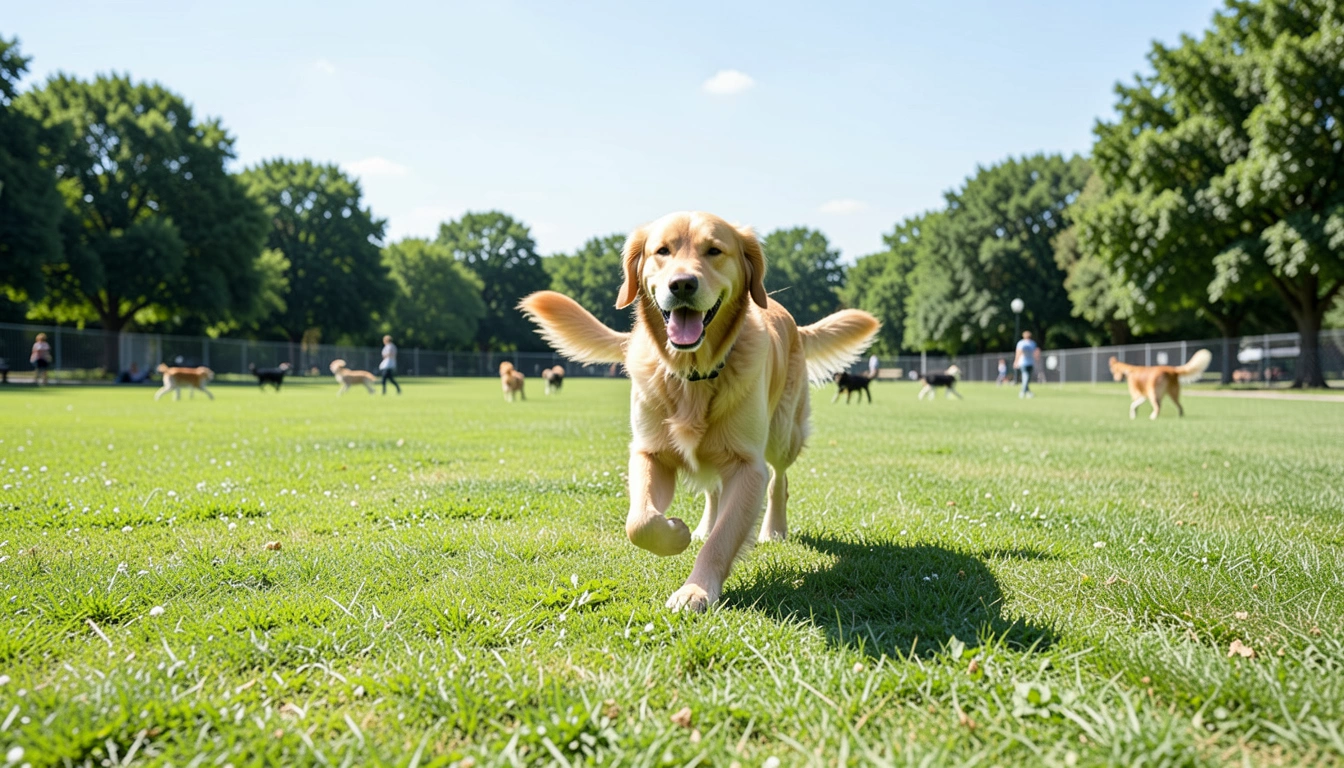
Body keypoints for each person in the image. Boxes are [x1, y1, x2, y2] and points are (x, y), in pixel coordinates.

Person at [1014, 331, 1040, 398]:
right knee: (1026, 377)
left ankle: (1027, 392)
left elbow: (1018, 353)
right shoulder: (1026, 343)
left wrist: (1016, 361)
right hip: (1025, 362)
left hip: (1027, 362)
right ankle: (1023, 391)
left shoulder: (1025, 343)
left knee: (1027, 378)